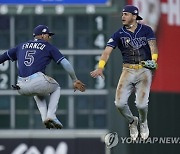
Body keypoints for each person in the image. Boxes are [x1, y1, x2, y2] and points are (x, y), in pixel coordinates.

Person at [90, 5, 158, 140]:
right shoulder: (119, 34)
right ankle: (133, 121)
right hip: (127, 70)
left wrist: (154, 60)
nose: (123, 17)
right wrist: (101, 67)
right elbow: (106, 52)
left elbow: (153, 47)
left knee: (141, 104)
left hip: (144, 70)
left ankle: (143, 122)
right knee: (119, 104)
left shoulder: (146, 30)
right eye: (123, 14)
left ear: (134, 16)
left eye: (126, 14)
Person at [0, 25, 85, 129]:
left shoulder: (20, 46)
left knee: (39, 92)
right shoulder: (48, 47)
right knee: (56, 88)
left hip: (20, 87)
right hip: (36, 81)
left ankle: (45, 118)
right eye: (48, 35)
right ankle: (51, 115)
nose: (49, 37)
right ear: (43, 35)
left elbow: (3, 57)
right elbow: (66, 63)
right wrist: (74, 79)